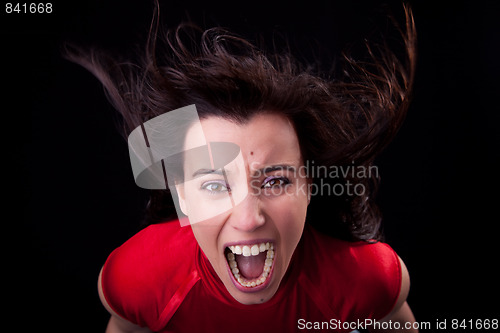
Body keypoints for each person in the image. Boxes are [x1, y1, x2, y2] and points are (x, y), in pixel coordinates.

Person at [65, 4, 418, 332]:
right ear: (182, 198)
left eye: (276, 180)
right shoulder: (138, 279)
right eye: (215, 185)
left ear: (309, 186)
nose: (249, 219)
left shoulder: (368, 282)